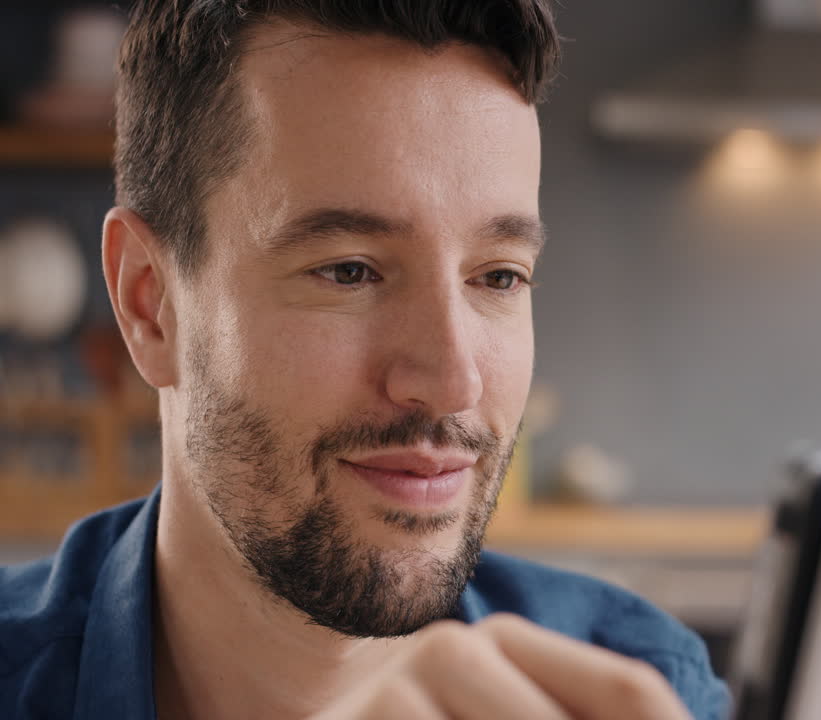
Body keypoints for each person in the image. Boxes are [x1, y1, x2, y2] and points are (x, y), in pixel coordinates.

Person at [0, 2, 728, 718]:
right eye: (349, 271)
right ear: (149, 305)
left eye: (498, 276)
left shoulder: (642, 687)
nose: (452, 382)